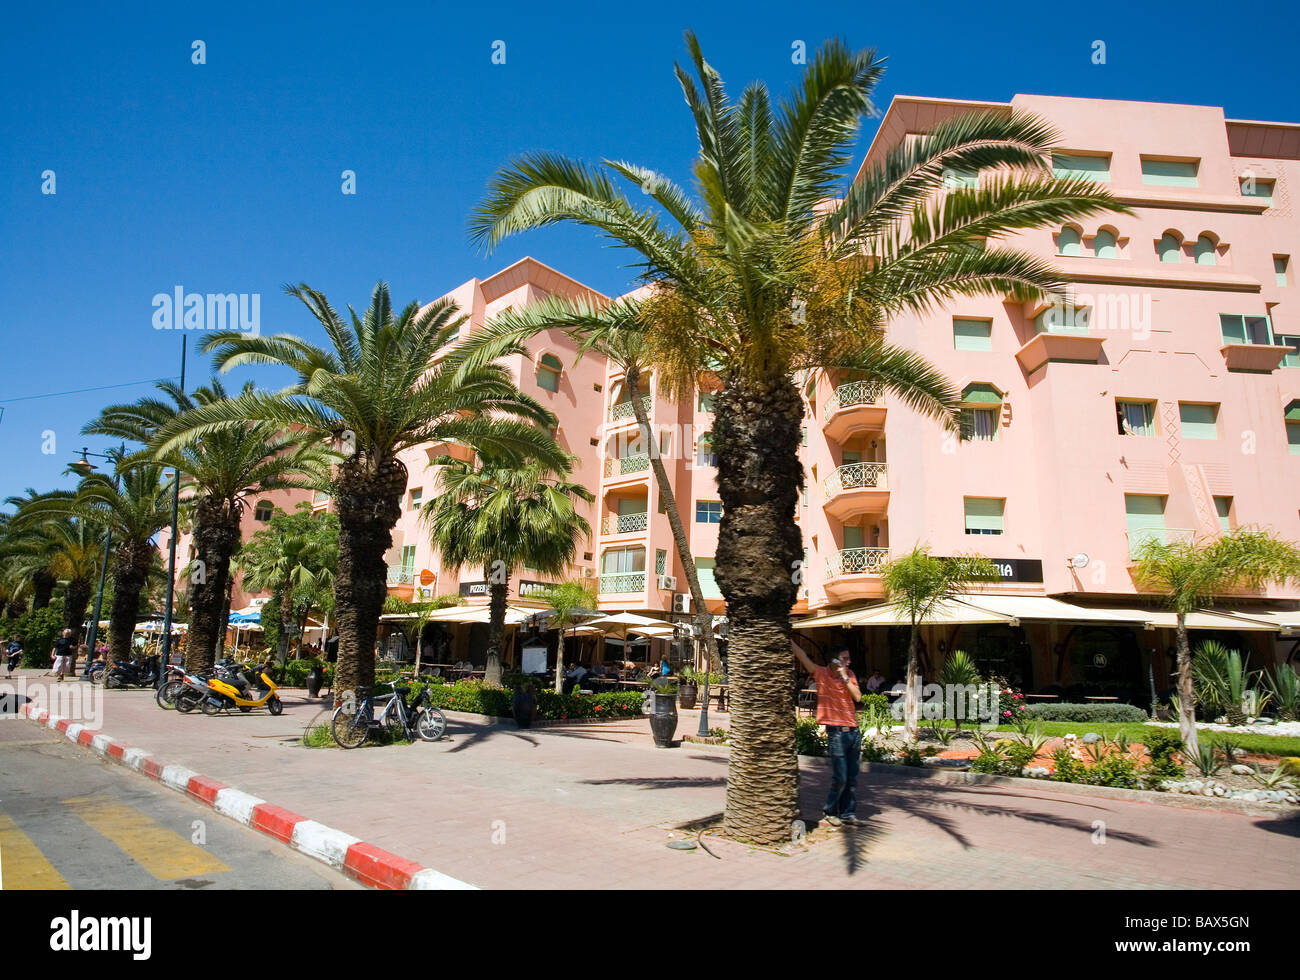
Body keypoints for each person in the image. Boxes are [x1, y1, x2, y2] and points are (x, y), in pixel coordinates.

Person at [791, 640, 862, 826]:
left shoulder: (850, 675)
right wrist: (788, 638)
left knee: (852, 778)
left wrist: (845, 676)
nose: (848, 662)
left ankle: (847, 813)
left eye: (848, 658)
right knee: (841, 777)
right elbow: (802, 656)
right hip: (836, 732)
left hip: (853, 731)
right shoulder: (820, 673)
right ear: (834, 660)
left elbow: (857, 697)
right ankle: (830, 811)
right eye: (844, 659)